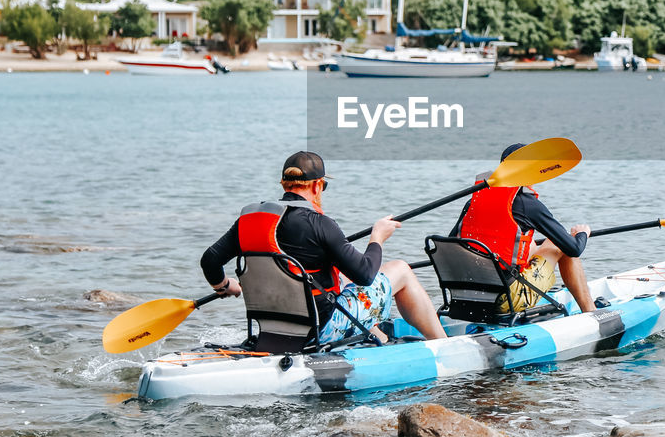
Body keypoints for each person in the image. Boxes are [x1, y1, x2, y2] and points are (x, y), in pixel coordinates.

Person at [201, 150, 446, 345]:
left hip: (272, 326)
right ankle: (443, 343)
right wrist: (377, 238)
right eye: (323, 187)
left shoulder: (251, 220)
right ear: (317, 185)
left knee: (343, 281)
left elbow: (210, 260)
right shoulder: (320, 224)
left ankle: (378, 339)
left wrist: (224, 286)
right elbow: (365, 274)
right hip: (320, 328)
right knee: (401, 269)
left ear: (285, 185)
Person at [448, 143, 596, 315]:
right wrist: (582, 234)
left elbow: (453, 246)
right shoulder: (528, 204)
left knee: (531, 244)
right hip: (506, 299)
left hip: (465, 296)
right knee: (559, 245)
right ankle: (590, 312)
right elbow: (574, 248)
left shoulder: (473, 202)